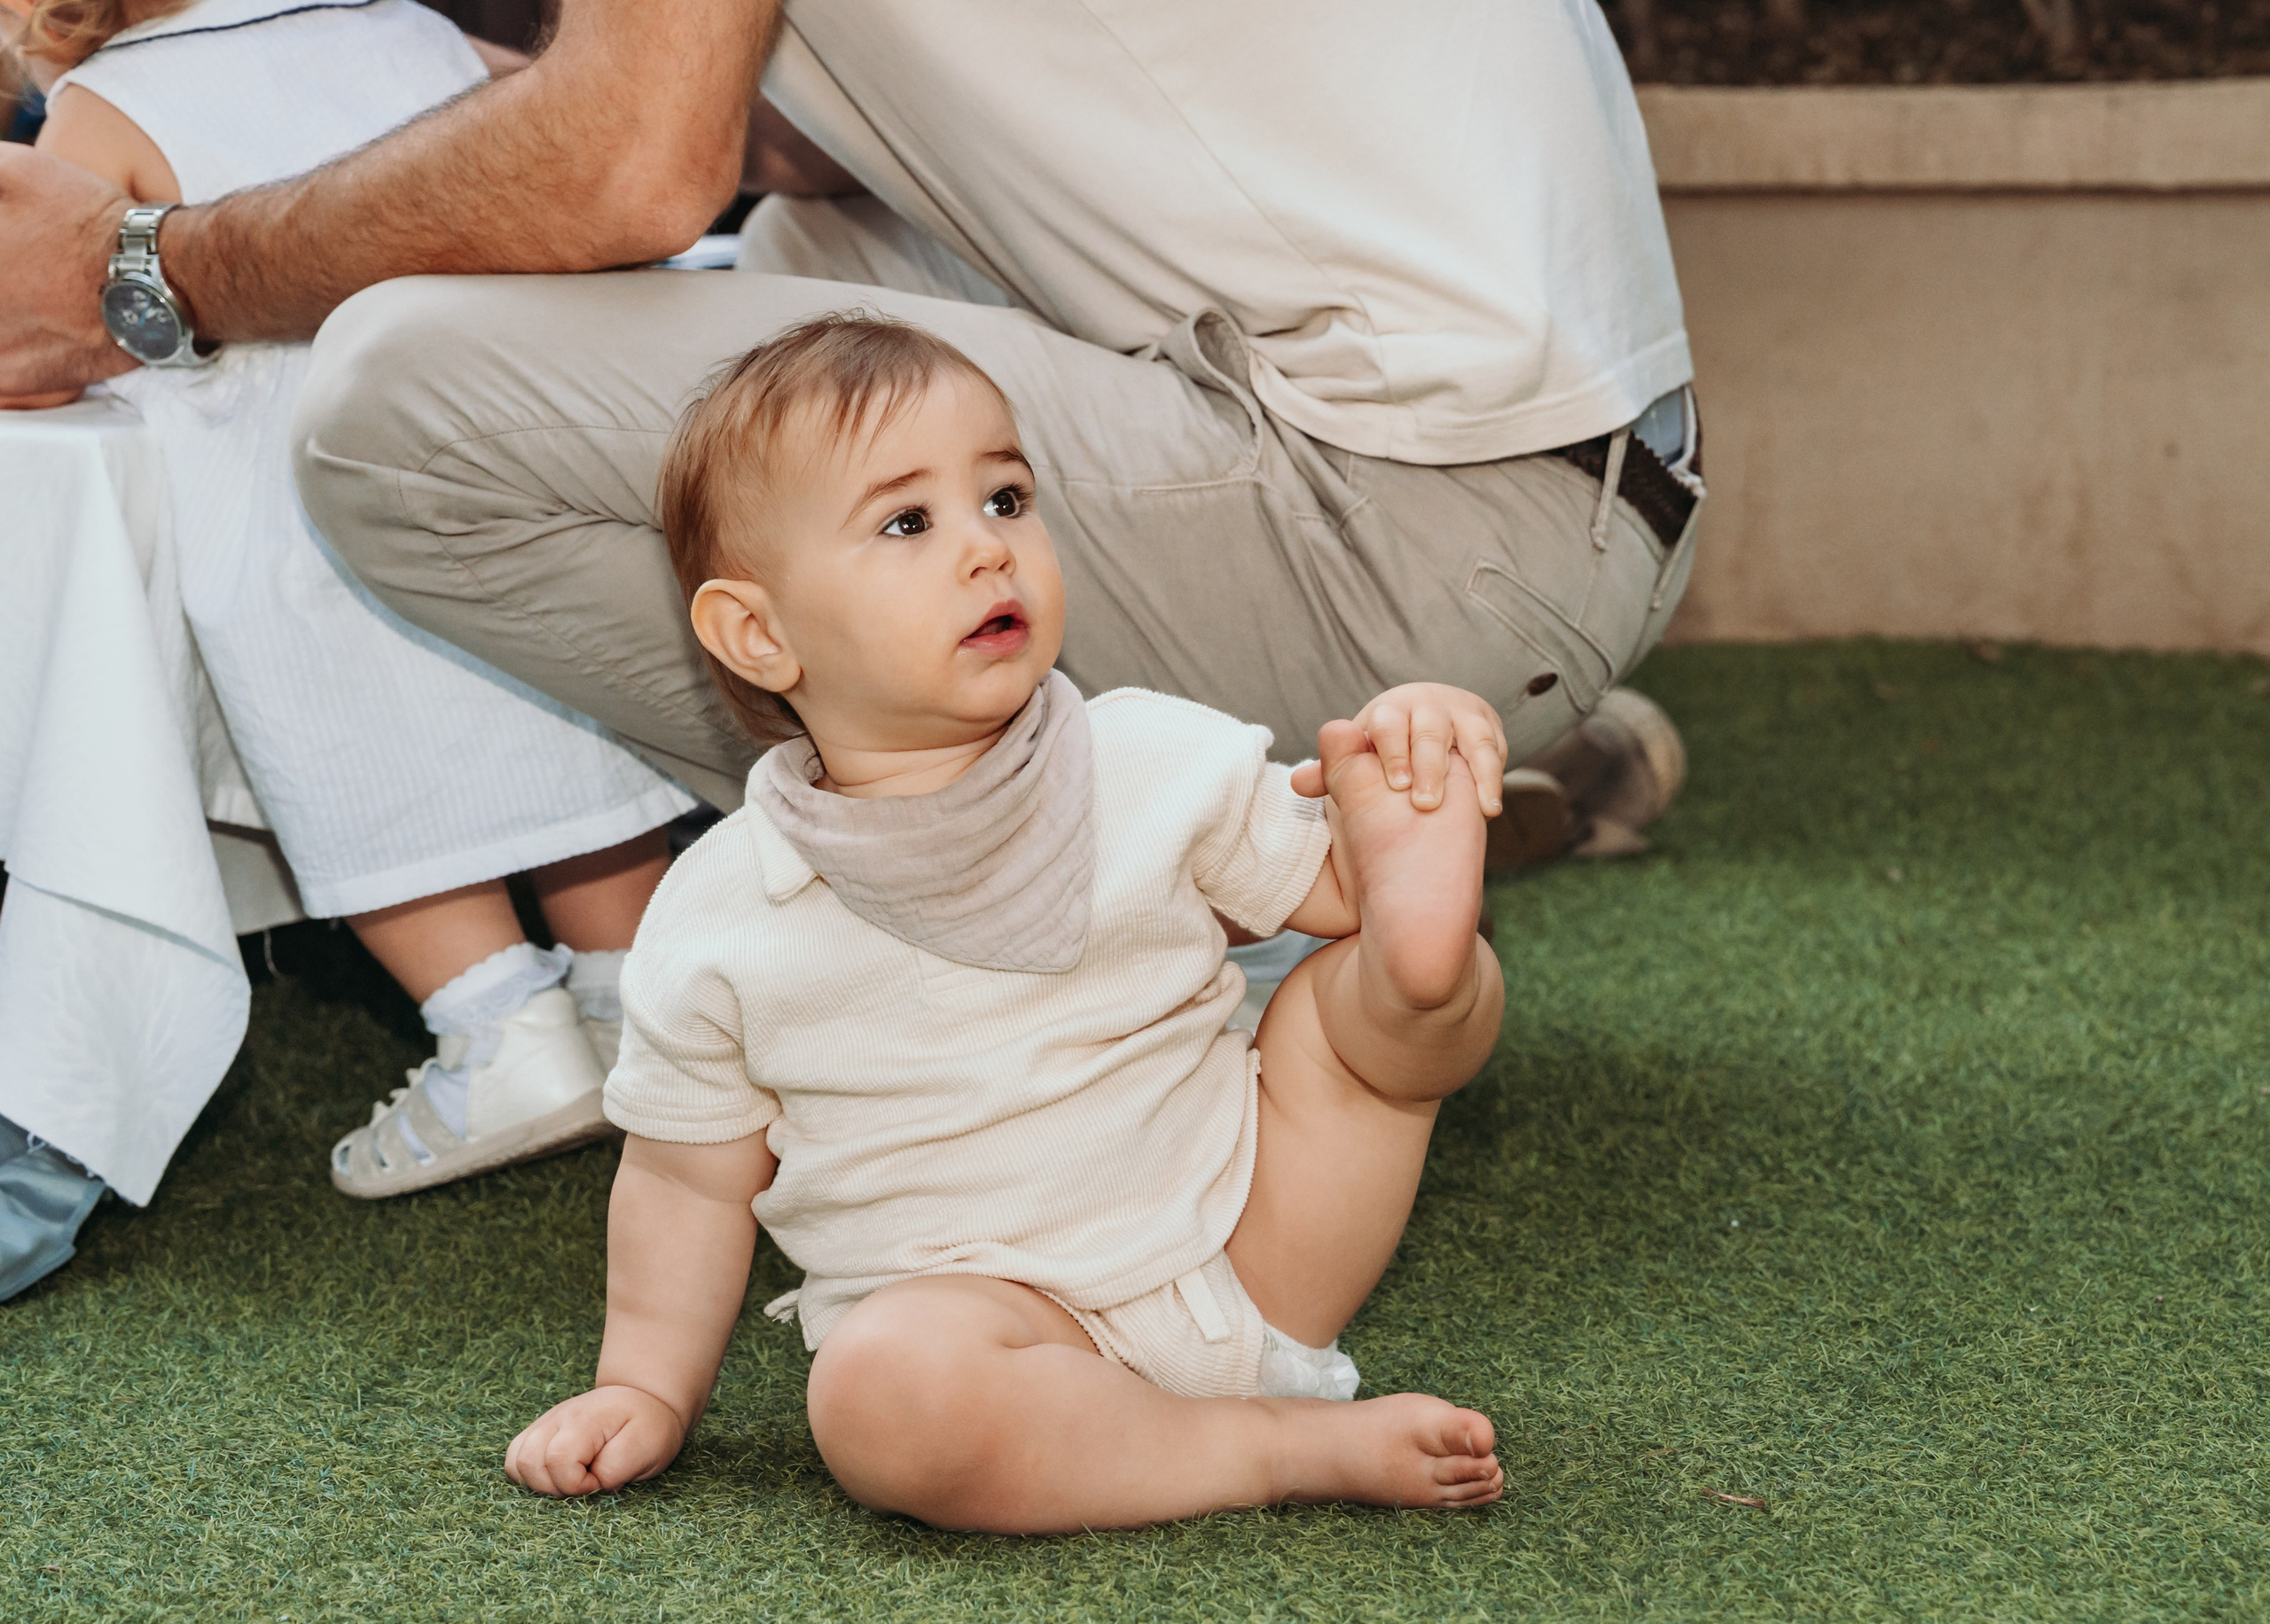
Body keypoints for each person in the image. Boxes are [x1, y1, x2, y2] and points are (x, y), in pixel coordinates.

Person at [0, 0, 1700, 1190]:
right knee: (809, 301)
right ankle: (1312, 784)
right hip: (1552, 465)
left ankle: (1111, 910)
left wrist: (141, 272)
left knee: (394, 406)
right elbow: (782, 154)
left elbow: (631, 166)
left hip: (1414, 504)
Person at [508, 314, 1508, 1529]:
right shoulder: (722, 915)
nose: (987, 550)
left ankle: (1428, 967)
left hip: (1256, 1236)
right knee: (879, 1395)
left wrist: (1390, 803)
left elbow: (1329, 901)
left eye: (1006, 497)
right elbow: (684, 1184)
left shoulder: (1147, 755)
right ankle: (1271, 1445)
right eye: (908, 522)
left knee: (1368, 999)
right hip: (995, 1330)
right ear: (760, 634)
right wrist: (643, 1387)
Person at [0, 0, 698, 1300]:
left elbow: (40, 327)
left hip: (306, 543)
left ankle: (497, 1030)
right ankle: (635, 1002)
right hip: (498, 490)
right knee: (563, 739)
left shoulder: (108, 111)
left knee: (376, 775)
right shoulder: (423, 41)